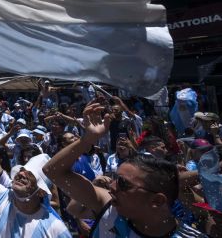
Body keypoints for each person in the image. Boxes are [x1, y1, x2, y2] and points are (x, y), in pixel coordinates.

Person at [43, 101, 206, 237]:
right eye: (116, 179)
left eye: (123, 183)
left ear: (157, 201)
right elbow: (53, 171)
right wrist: (87, 140)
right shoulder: (110, 207)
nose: (112, 186)